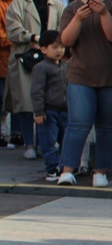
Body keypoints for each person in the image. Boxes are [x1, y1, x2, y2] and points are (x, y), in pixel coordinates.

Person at [56, 0, 112, 187]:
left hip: (111, 77)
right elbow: (65, 40)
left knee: (107, 126)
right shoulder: (72, 8)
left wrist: (104, 14)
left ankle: (101, 171)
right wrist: (78, 18)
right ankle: (67, 170)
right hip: (80, 76)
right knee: (78, 123)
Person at [5, 0, 65, 159]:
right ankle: (29, 143)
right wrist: (33, 38)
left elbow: (63, 28)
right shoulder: (18, 3)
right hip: (24, 56)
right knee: (25, 101)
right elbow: (12, 29)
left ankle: (44, 142)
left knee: (47, 101)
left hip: (51, 58)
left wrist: (50, 44)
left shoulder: (57, 5)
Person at [31, 30, 68, 181]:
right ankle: (52, 168)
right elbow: (36, 91)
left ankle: (64, 165)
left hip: (65, 109)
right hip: (48, 110)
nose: (59, 50)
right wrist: (39, 112)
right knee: (48, 141)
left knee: (66, 138)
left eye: (61, 47)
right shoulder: (41, 68)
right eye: (54, 47)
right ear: (44, 49)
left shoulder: (65, 65)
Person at [0, 0, 19, 143]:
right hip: (3, 58)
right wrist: (17, 40)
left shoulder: (22, 0)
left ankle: (17, 133)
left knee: (19, 98)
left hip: (21, 57)